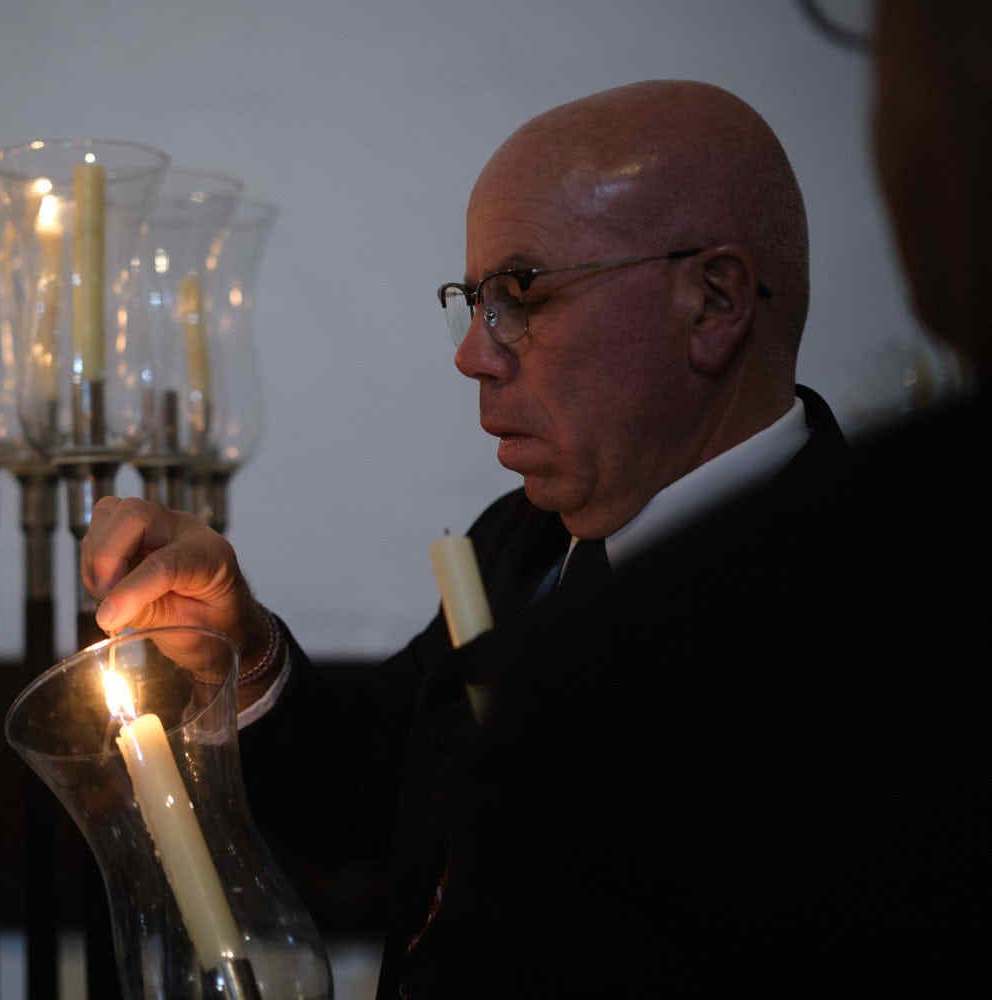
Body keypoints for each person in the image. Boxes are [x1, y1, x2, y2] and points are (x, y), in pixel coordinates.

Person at [83, 79, 874, 995]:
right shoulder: (528, 536)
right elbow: (371, 797)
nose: (472, 354)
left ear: (712, 302)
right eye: (474, 300)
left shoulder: (878, 596)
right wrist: (243, 648)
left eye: (523, 292)